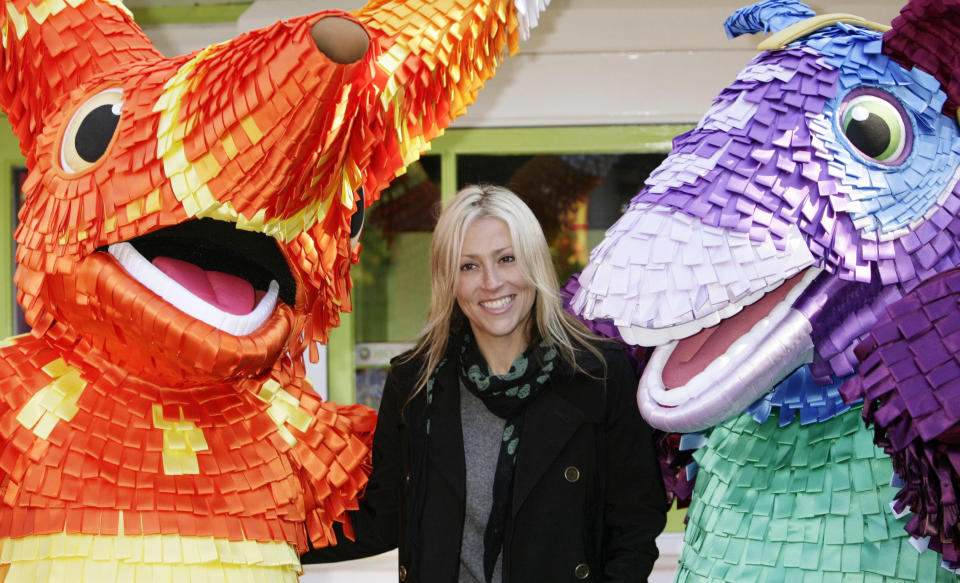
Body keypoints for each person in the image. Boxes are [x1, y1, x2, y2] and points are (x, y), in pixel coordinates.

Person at [303, 184, 667, 582]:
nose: (491, 282)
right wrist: (258, 536)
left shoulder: (598, 374)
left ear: (534, 263)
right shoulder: (416, 384)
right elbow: (382, 519)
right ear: (449, 280)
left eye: (506, 259)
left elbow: (635, 525)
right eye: (469, 266)